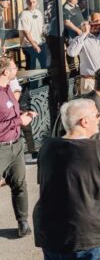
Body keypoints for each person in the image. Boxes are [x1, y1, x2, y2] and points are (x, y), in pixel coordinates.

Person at [33, 98, 100, 259]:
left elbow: (49, 183)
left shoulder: (47, 146)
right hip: (90, 234)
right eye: (97, 115)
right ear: (84, 121)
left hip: (50, 231)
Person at [0, 55, 37, 237]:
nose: (16, 72)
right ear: (5, 72)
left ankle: (22, 222)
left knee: (19, 184)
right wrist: (18, 120)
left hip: (16, 145)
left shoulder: (8, 89)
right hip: (1, 148)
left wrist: (23, 113)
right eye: (14, 69)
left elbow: (10, 114)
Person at [18, 0, 48, 70]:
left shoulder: (39, 13)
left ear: (36, 2)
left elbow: (41, 28)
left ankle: (46, 81)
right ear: (26, 2)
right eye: (29, 2)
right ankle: (31, 82)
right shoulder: (23, 14)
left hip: (40, 43)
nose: (31, 4)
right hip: (29, 45)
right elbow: (25, 32)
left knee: (45, 66)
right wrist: (34, 44)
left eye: (33, 2)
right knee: (31, 68)